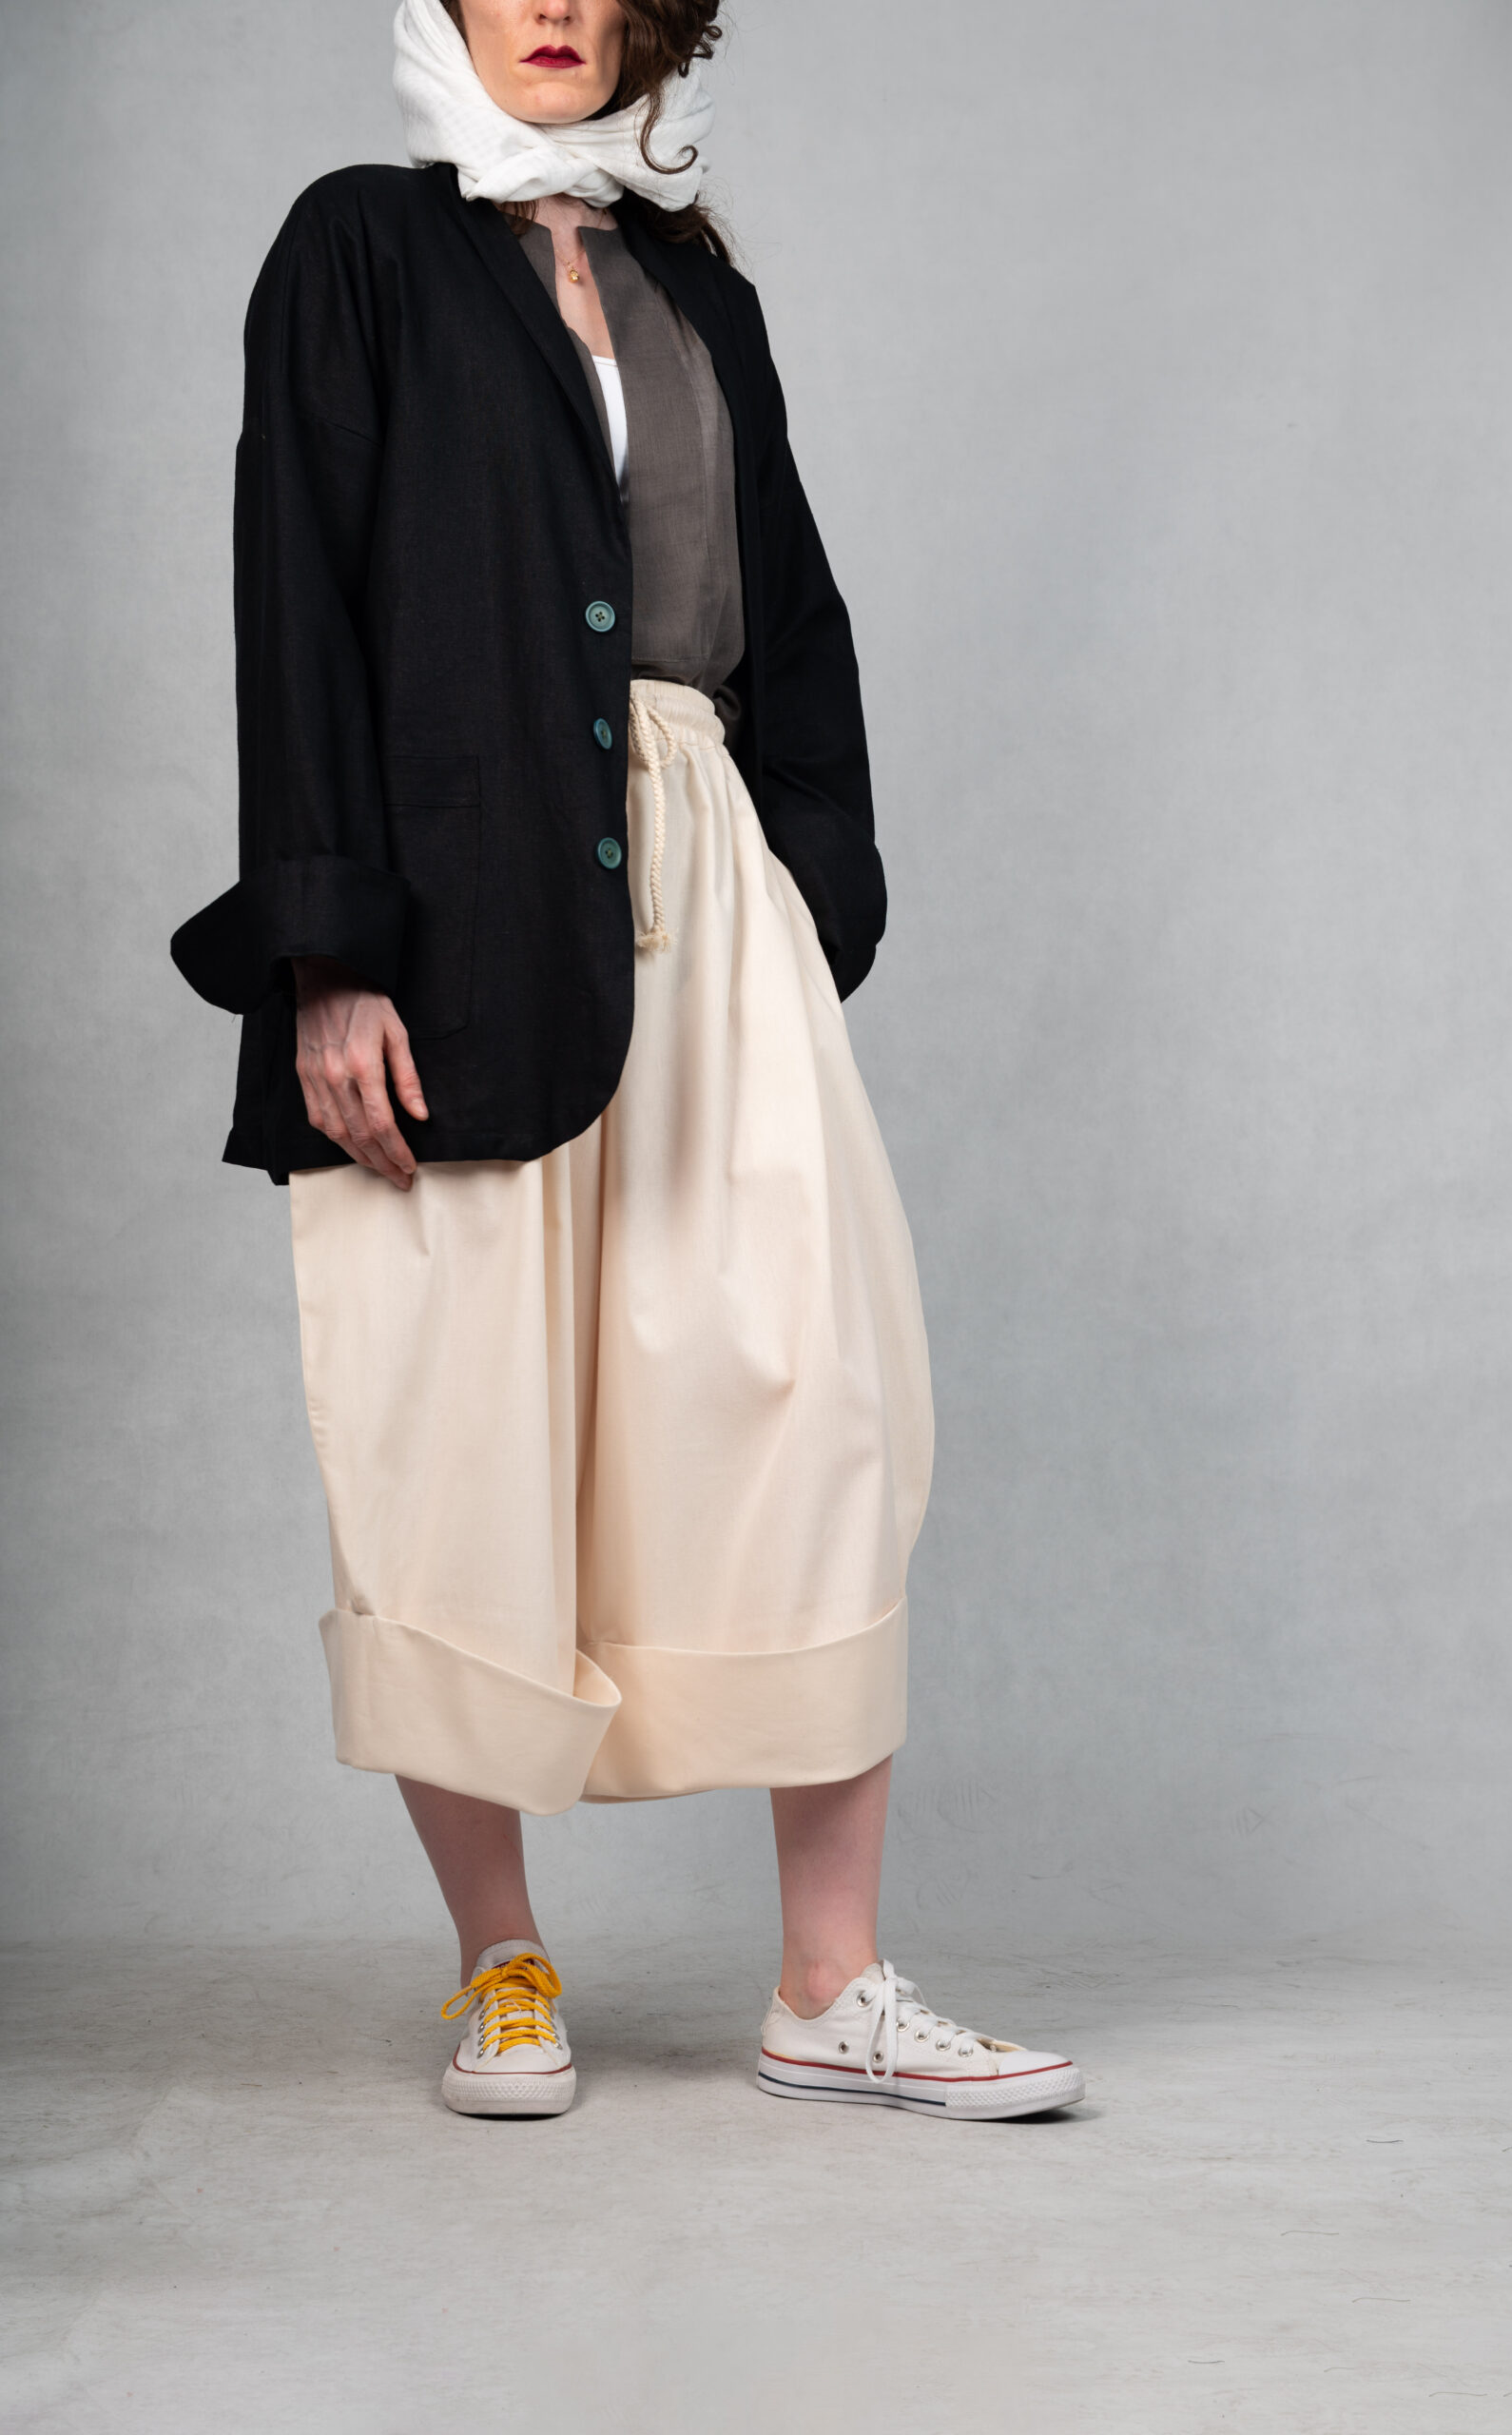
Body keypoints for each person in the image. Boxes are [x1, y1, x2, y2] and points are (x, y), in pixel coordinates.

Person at [172, 0, 1082, 2125]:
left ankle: (828, 1983)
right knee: (458, 1420)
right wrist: (329, 953)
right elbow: (297, 598)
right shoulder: (361, 246)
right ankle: (500, 1965)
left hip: (707, 886)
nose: (557, 9)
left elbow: (789, 610)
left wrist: (806, 890)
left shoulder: (696, 285)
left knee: (811, 1397)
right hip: (457, 912)